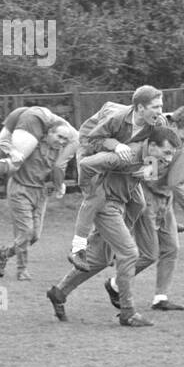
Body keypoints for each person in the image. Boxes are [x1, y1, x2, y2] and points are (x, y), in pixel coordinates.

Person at [45, 123, 181, 328]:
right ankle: (127, 312)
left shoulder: (153, 156)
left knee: (100, 259)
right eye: (167, 152)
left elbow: (146, 178)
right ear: (152, 145)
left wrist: (148, 173)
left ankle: (59, 292)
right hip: (106, 205)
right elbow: (85, 165)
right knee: (129, 254)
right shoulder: (126, 156)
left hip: (121, 206)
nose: (169, 159)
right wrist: (92, 193)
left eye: (172, 154)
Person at [113, 114, 184, 313]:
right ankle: (115, 283)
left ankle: (160, 298)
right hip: (149, 201)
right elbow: (175, 183)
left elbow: (162, 178)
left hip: (163, 202)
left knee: (171, 248)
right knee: (149, 254)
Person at [67, 86, 166, 268]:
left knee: (138, 204)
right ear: (140, 107)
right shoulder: (117, 118)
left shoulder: (159, 124)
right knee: (96, 196)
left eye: (161, 106)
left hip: (114, 157)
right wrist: (116, 145)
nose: (160, 112)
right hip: (89, 146)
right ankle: (77, 248)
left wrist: (150, 168)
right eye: (155, 107)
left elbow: (163, 152)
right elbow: (93, 139)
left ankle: (114, 243)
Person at [0, 113, 79, 281]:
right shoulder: (32, 141)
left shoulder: (59, 151)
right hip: (20, 190)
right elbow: (4, 143)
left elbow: (57, 170)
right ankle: (22, 270)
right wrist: (12, 152)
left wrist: (58, 185)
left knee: (35, 236)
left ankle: (5, 253)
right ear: (49, 132)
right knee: (26, 232)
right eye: (59, 137)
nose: (61, 142)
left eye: (65, 140)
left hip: (40, 193)